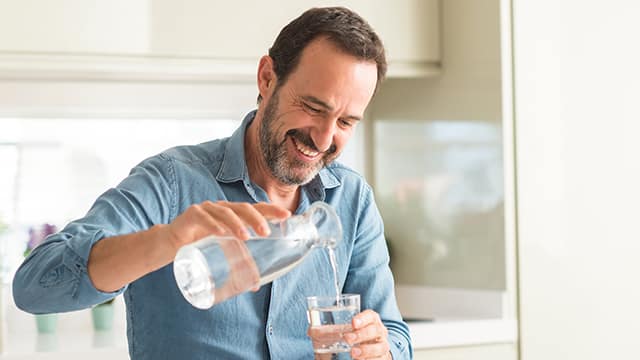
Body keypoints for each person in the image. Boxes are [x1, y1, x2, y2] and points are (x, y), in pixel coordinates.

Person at [12, 6, 412, 360]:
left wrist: (380, 349)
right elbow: (34, 287)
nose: (324, 139)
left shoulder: (352, 198)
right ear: (267, 78)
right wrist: (168, 240)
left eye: (345, 123)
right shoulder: (171, 182)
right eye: (312, 107)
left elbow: (395, 337)